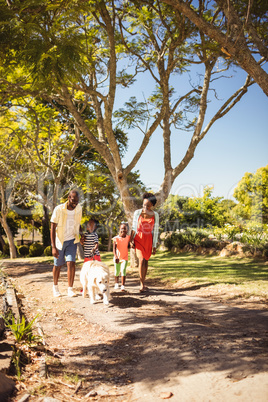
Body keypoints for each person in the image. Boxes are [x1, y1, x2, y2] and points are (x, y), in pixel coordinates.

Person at [50, 190, 83, 297]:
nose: (75, 203)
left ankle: (70, 289)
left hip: (72, 240)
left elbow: (78, 224)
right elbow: (52, 227)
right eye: (73, 201)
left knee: (71, 263)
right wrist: (53, 246)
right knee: (58, 265)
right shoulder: (59, 209)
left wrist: (82, 235)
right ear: (68, 197)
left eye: (77, 201)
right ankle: (55, 288)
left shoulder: (78, 208)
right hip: (59, 241)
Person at [130, 192, 159, 293]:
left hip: (149, 240)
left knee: (146, 260)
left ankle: (144, 282)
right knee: (141, 259)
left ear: (152, 205)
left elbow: (155, 231)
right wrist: (131, 240)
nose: (145, 207)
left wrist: (154, 245)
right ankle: (141, 284)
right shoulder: (137, 213)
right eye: (144, 204)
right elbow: (134, 227)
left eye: (147, 205)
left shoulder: (155, 215)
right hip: (139, 238)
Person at [113, 222, 130, 292]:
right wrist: (116, 256)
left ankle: (123, 286)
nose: (123, 230)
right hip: (117, 257)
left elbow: (129, 245)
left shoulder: (128, 237)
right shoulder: (116, 238)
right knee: (117, 271)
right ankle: (116, 283)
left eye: (125, 229)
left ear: (127, 230)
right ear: (119, 230)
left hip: (125, 257)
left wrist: (131, 245)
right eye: (122, 229)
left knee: (123, 270)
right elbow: (114, 248)